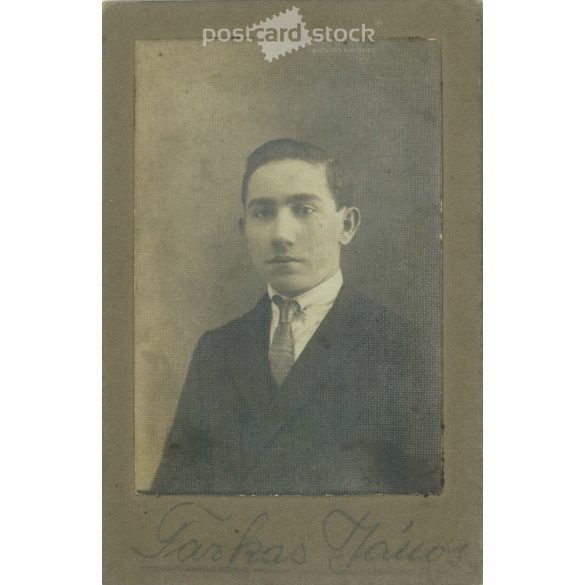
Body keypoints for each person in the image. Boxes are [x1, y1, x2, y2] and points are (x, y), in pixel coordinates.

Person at [151, 138, 441, 495]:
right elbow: (172, 498)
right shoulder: (218, 349)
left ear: (346, 225)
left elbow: (426, 504)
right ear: (244, 230)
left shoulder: (400, 347)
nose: (280, 235)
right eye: (262, 213)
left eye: (303, 209)